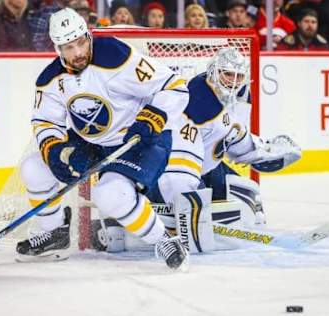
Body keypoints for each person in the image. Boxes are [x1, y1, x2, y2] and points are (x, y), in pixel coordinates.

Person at [17, 8, 195, 269]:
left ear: (88, 36)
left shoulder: (115, 56)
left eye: (80, 42)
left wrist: (151, 118)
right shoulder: (50, 80)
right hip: (92, 143)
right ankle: (55, 233)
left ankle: (164, 240)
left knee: (109, 194)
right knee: (33, 168)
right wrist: (55, 151)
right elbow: (46, 122)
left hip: (140, 139)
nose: (77, 52)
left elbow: (175, 87)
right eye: (68, 47)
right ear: (57, 49)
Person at [93, 47, 302, 254]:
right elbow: (219, 139)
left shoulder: (237, 99)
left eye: (239, 76)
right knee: (193, 207)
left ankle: (162, 223)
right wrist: (190, 205)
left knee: (248, 192)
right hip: (170, 170)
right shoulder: (198, 99)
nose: (233, 81)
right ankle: (136, 230)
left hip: (205, 166)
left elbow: (234, 142)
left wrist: (263, 151)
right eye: (228, 74)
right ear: (214, 71)